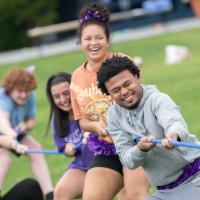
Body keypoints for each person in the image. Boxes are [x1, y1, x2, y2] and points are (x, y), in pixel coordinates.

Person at [70, 3, 150, 200]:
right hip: (106, 148)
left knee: (135, 195)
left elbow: (142, 99)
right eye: (87, 38)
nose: (93, 43)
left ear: (107, 40)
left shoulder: (121, 61)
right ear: (80, 42)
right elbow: (81, 120)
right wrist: (95, 126)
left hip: (134, 142)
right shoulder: (77, 77)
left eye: (99, 37)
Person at [97, 55, 200, 200]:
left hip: (195, 177)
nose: (124, 92)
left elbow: (173, 121)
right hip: (165, 191)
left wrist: (173, 135)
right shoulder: (113, 117)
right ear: (108, 94)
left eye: (127, 84)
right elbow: (127, 160)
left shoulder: (158, 99)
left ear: (137, 77)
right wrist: (141, 149)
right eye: (116, 90)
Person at [0, 68, 53, 200]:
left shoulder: (29, 96)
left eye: (26, 92)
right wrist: (11, 137)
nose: (24, 95)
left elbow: (32, 121)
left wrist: (25, 126)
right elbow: (3, 119)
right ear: (10, 89)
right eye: (20, 91)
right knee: (4, 158)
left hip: (15, 131)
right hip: (5, 130)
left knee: (35, 149)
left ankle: (50, 195)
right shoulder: (3, 97)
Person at [46, 72, 93, 200]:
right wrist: (68, 149)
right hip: (83, 167)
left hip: (105, 162)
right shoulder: (58, 122)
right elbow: (65, 149)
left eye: (66, 93)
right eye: (56, 96)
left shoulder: (90, 106)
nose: (62, 100)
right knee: (59, 194)